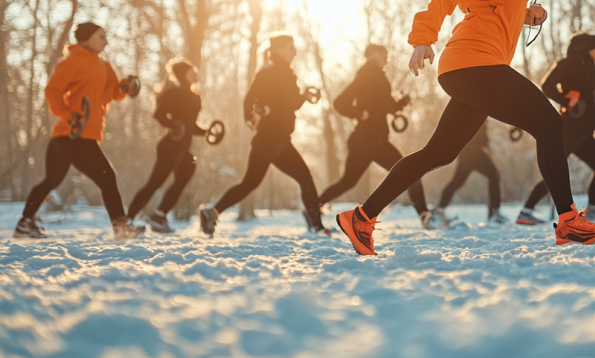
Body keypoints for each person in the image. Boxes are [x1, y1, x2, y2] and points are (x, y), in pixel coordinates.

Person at [335, 0, 595, 255]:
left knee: (439, 153)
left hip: (479, 63)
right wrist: (423, 38)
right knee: (550, 124)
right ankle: (568, 222)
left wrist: (526, 14)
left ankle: (360, 218)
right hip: (472, 61)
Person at [15, 22, 144, 239]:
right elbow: (52, 91)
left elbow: (111, 92)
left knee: (51, 181)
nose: (106, 41)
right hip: (73, 134)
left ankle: (24, 223)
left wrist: (125, 87)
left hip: (74, 136)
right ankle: (121, 227)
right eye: (101, 37)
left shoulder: (104, 66)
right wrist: (69, 115)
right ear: (85, 40)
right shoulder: (72, 62)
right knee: (107, 177)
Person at [199, 34, 326, 236]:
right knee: (305, 178)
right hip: (273, 139)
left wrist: (303, 96)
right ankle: (317, 226)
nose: (294, 52)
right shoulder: (270, 72)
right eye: (290, 48)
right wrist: (252, 119)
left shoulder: (284, 72)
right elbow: (251, 100)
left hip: (273, 139)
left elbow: (288, 102)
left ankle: (211, 212)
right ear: (278, 50)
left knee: (250, 183)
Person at [317, 44, 439, 228]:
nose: (387, 59)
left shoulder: (376, 76)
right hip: (367, 140)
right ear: (373, 54)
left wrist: (400, 103)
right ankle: (424, 214)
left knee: (350, 181)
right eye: (384, 55)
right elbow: (339, 103)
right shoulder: (367, 75)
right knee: (408, 172)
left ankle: (314, 205)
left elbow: (382, 105)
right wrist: (359, 113)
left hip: (373, 140)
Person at [517, 32, 595, 225]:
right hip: (570, 129)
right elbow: (546, 85)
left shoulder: (590, 67)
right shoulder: (569, 63)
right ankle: (526, 212)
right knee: (556, 171)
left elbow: (589, 97)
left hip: (585, 131)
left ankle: (593, 212)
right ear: (588, 48)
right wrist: (565, 100)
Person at [127, 58, 205, 232]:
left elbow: (191, 126)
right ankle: (127, 219)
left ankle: (159, 215)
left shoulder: (195, 97)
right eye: (191, 72)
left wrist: (207, 132)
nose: (195, 74)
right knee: (155, 183)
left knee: (187, 172)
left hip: (183, 147)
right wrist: (173, 125)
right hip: (170, 145)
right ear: (182, 75)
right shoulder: (173, 93)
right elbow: (159, 115)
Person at [436, 121, 505, 223]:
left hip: (466, 151)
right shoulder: (481, 106)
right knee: (494, 175)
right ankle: (494, 213)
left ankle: (439, 211)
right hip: (473, 151)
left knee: (457, 182)